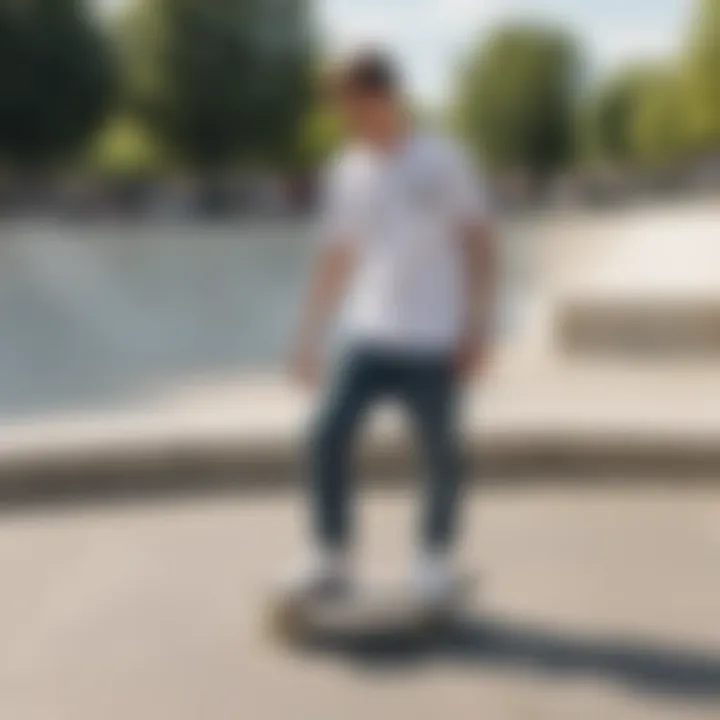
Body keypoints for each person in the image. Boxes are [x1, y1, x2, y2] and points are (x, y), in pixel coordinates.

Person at [287, 50, 496, 606]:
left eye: (349, 106)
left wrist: (476, 328)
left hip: (435, 337)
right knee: (326, 435)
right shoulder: (348, 170)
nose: (344, 119)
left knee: (440, 452)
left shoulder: (443, 160)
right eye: (340, 109)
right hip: (369, 333)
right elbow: (337, 256)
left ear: (383, 98)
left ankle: (432, 560)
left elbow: (479, 244)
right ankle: (331, 556)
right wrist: (309, 337)